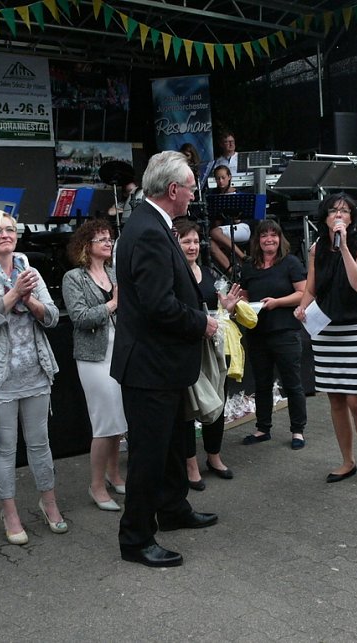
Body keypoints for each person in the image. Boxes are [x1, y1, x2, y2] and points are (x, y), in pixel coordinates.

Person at [112, 150, 219, 568]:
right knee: (149, 454)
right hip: (149, 368)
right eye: (191, 187)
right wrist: (202, 324)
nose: (194, 195)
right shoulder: (151, 231)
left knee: (175, 444)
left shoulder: (152, 223)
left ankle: (173, 509)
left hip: (165, 366)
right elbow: (158, 305)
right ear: (173, 190)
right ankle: (135, 538)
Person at [0, 210, 67, 545]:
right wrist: (12, 295)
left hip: (35, 371)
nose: (6, 234)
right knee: (5, 448)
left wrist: (30, 299)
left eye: (11, 229)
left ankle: (48, 503)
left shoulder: (30, 271)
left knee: (40, 443)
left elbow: (52, 318)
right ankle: (9, 513)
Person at [295, 193, 357, 487]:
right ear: (325, 217)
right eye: (333, 211)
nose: (339, 215)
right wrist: (302, 306)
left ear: (352, 218)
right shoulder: (317, 248)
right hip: (327, 331)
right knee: (336, 399)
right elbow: (311, 286)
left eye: (345, 211)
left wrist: (343, 247)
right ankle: (347, 461)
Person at [62, 220, 127, 511]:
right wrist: (112, 305)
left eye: (109, 239)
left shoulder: (114, 272)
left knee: (119, 421)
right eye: (101, 239)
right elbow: (79, 317)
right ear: (86, 245)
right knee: (104, 422)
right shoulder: (73, 278)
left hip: (120, 350)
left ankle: (114, 475)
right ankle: (96, 485)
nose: (107, 243)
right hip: (93, 356)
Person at [173, 218, 241, 490]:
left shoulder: (207, 272)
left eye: (194, 241)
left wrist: (227, 306)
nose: (191, 247)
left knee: (217, 399)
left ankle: (214, 456)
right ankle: (190, 465)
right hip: (188, 346)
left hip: (212, 346)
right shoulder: (174, 273)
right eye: (185, 241)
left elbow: (220, 307)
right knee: (189, 407)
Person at [238, 219, 308, 449]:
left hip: (285, 332)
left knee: (292, 383)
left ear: (280, 239)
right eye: (264, 235)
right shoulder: (249, 266)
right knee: (262, 383)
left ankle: (297, 431)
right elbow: (245, 295)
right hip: (258, 333)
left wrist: (278, 302)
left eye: (274, 235)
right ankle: (262, 428)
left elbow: (304, 294)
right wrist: (241, 303)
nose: (269, 239)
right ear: (257, 240)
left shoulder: (290, 263)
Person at [209, 165, 249, 277]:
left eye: (223, 177)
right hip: (223, 231)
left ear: (229, 177)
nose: (220, 181)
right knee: (210, 244)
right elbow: (216, 224)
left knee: (214, 232)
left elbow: (245, 218)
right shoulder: (213, 196)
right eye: (217, 178)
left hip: (242, 228)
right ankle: (234, 273)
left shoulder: (239, 195)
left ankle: (243, 257)